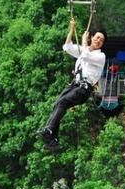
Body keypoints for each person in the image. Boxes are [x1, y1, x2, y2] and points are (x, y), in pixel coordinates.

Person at [37, 18, 106, 149]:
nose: (98, 41)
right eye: (97, 38)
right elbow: (67, 47)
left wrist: (84, 42)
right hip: (75, 85)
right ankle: (53, 138)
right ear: (92, 37)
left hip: (84, 89)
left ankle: (49, 131)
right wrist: (72, 30)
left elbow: (85, 56)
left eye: (101, 40)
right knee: (58, 103)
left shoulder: (100, 57)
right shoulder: (83, 49)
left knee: (63, 102)